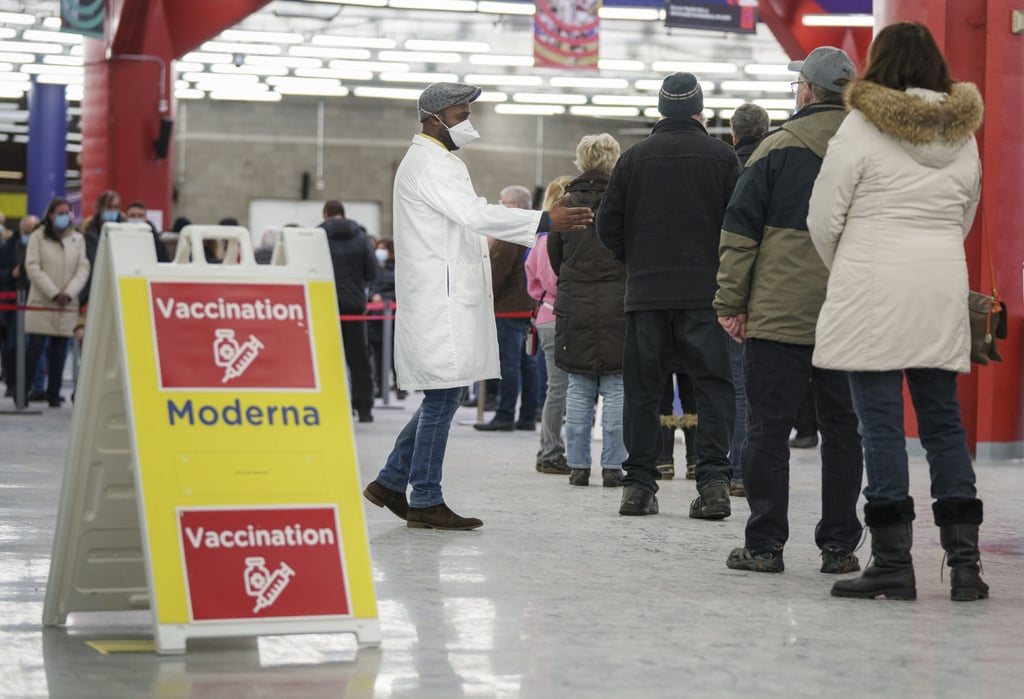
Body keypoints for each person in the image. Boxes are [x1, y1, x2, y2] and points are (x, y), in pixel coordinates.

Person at [808, 22, 988, 601]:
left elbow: (823, 217)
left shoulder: (861, 126)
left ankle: (892, 563)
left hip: (872, 288)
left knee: (879, 425)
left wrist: (852, 265)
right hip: (939, 284)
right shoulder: (963, 134)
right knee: (942, 424)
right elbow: (967, 211)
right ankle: (965, 566)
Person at [361, 81, 593, 530]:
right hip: (439, 298)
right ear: (434, 118)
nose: (467, 121)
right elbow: (476, 215)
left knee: (443, 395)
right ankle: (424, 497)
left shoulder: (440, 162)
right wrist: (545, 220)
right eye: (460, 113)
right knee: (444, 395)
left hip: (446, 294)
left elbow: (474, 212)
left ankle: (391, 482)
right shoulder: (429, 164)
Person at [715, 46, 863, 575]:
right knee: (845, 431)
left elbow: (739, 234)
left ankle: (765, 545)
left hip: (778, 316)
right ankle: (840, 547)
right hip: (850, 314)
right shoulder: (873, 149)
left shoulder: (775, 148)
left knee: (767, 429)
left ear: (806, 90)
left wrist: (730, 302)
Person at [597, 72, 739, 518]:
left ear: (660, 110)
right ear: (700, 111)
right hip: (706, 295)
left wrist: (636, 263)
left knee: (642, 389)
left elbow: (608, 226)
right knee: (713, 386)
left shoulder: (634, 158)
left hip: (647, 294)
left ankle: (638, 487)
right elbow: (740, 227)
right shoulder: (723, 157)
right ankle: (714, 483)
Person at [549, 133, 627, 488]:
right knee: (617, 388)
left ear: (581, 159)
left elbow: (555, 255)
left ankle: (578, 466)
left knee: (578, 387)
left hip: (574, 304)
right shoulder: (624, 199)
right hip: (619, 303)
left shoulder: (565, 202)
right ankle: (613, 467)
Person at [726, 101, 770, 497]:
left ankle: (735, 469)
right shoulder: (780, 161)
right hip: (773, 291)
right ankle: (756, 469)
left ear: (733, 133)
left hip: (728, 288)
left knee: (732, 384)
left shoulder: (724, 168)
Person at [474, 185, 540, 432]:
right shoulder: (532, 228)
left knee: (509, 364)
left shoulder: (509, 232)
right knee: (527, 364)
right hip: (527, 306)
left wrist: (484, 297)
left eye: (503, 202)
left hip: (507, 308)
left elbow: (497, 272)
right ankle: (527, 416)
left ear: (514, 206)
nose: (499, 206)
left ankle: (504, 415)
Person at [526, 176, 574, 476]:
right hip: (558, 317)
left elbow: (533, 285)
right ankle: (550, 450)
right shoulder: (550, 240)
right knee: (559, 389)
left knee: (556, 389)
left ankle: (549, 449)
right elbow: (555, 282)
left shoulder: (537, 241)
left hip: (544, 315)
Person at [23, 198, 89, 407]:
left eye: (67, 213)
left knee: (60, 352)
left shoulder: (78, 239)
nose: (64, 217)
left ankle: (53, 393)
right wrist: (53, 293)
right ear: (50, 215)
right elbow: (33, 266)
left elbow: (83, 268)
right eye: (60, 212)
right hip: (43, 301)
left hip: (66, 304)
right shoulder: (37, 236)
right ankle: (23, 390)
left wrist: (68, 293)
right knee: (35, 349)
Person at [320, 199, 377, 423]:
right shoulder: (361, 237)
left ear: (325, 214)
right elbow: (372, 270)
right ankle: (364, 408)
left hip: (325, 303)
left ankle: (331, 405)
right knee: (359, 359)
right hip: (354, 305)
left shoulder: (318, 236)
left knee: (327, 357)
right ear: (343, 214)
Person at [0, 215, 38, 398]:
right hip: (12, 304)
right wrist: (11, 274)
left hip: (36, 302)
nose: (30, 235)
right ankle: (12, 383)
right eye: (27, 232)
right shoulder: (8, 247)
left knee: (33, 347)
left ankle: (27, 386)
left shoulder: (41, 247)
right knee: (13, 346)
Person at [368, 238, 405, 400]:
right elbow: (369, 288)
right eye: (378, 248)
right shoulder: (374, 268)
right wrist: (372, 296)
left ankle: (400, 386)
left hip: (393, 317)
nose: (380, 251)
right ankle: (380, 385)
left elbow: (401, 290)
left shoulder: (399, 268)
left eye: (384, 248)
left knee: (395, 354)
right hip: (376, 317)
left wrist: (384, 298)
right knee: (378, 354)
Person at [80, 190, 122, 304]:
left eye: (116, 207)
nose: (113, 211)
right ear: (100, 208)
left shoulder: (124, 233)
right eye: (109, 207)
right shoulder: (86, 234)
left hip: (116, 293)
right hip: (90, 294)